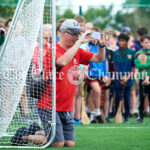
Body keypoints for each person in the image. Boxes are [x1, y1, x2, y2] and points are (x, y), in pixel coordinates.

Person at [12, 19, 106, 147]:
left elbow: (99, 58)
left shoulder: (77, 50)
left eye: (78, 34)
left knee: (69, 143)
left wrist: (102, 45)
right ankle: (23, 136)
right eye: (73, 34)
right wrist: (78, 43)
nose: (77, 37)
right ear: (63, 33)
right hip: (49, 105)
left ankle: (36, 130)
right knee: (57, 143)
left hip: (66, 106)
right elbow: (62, 61)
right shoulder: (53, 49)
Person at [113, 33, 135, 123]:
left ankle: (127, 117)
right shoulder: (116, 53)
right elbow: (115, 67)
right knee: (118, 98)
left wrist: (127, 77)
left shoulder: (132, 52)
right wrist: (120, 79)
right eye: (119, 40)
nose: (120, 42)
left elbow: (133, 67)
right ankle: (117, 115)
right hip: (118, 81)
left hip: (128, 81)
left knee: (127, 99)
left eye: (122, 41)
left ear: (126, 42)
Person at [134, 35, 150, 124]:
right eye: (146, 42)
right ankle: (140, 117)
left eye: (149, 42)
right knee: (141, 98)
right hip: (141, 77)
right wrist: (147, 65)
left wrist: (148, 77)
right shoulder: (138, 53)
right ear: (141, 43)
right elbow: (138, 65)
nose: (148, 44)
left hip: (148, 77)